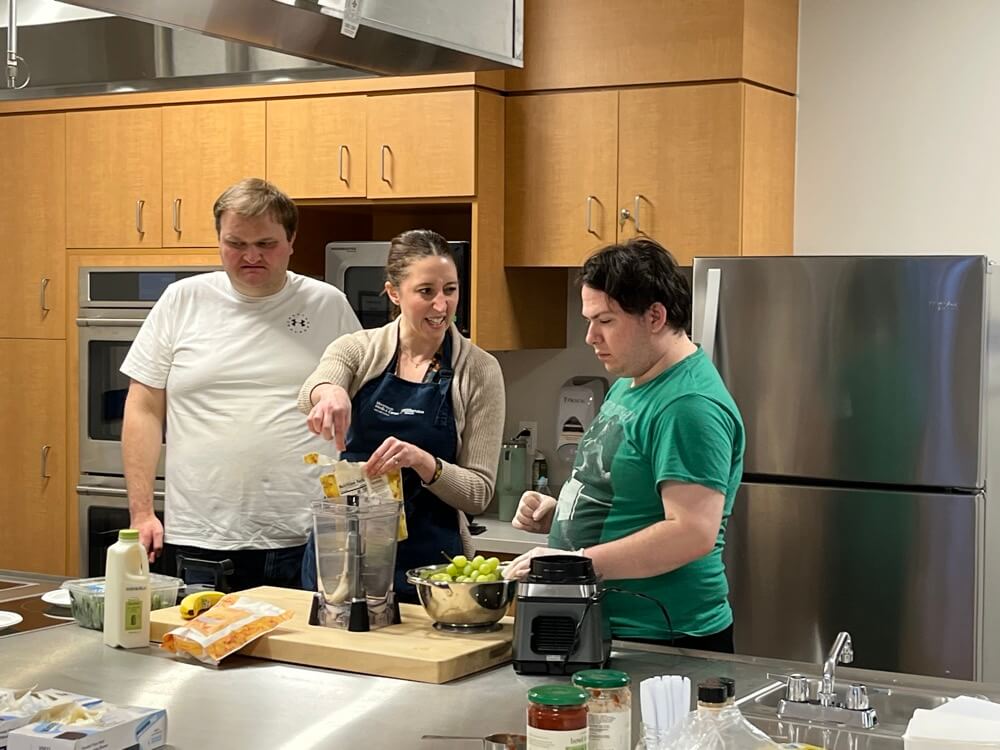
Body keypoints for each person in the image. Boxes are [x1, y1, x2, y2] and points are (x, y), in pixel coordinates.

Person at [505, 237, 745, 653]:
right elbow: (623, 490)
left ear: (655, 315)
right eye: (589, 319)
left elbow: (691, 532)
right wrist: (560, 512)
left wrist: (572, 564)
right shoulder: (634, 381)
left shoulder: (688, 405)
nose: (590, 336)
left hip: (662, 636)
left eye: (606, 321)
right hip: (604, 622)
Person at [121, 178, 361, 591]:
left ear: (291, 241)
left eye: (266, 244)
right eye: (236, 243)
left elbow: (360, 398)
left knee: (305, 656)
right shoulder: (182, 301)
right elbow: (143, 408)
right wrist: (142, 512)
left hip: (306, 536)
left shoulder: (327, 304)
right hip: (201, 537)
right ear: (219, 240)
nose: (251, 256)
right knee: (192, 653)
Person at [298, 229, 505, 602]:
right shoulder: (358, 350)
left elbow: (479, 494)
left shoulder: (479, 370)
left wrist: (424, 463)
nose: (441, 306)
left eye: (450, 290)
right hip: (344, 562)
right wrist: (329, 394)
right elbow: (317, 384)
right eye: (426, 292)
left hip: (431, 568)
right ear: (394, 293)